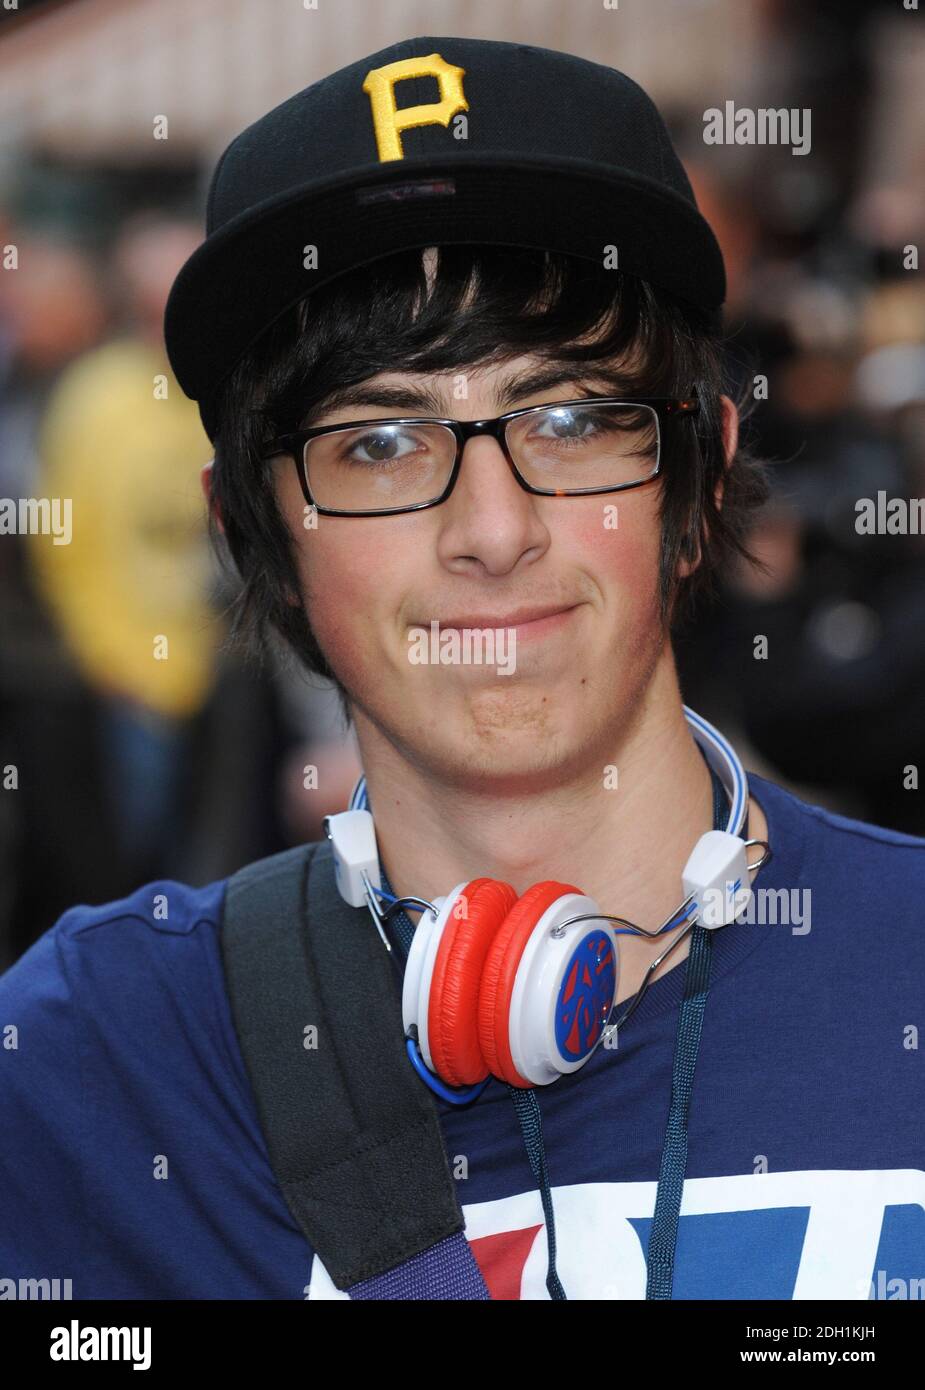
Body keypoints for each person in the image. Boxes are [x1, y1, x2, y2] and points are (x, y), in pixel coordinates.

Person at [1, 36, 923, 1303]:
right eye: (378, 442)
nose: (493, 530)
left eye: (571, 417)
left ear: (698, 475)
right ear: (251, 534)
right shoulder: (89, 1061)